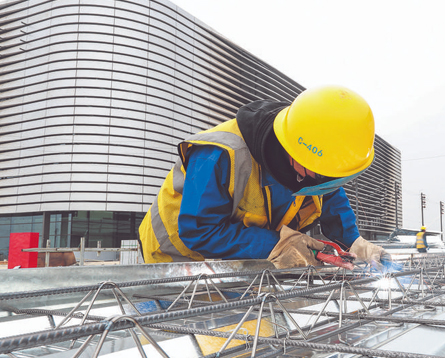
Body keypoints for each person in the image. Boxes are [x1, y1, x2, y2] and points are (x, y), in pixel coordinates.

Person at [139, 85, 389, 269]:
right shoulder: (219, 156)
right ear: (296, 154)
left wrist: (355, 243)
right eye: (325, 175)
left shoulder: (317, 166)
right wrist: (278, 244)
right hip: (175, 258)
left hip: (232, 262)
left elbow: (331, 199)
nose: (329, 184)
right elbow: (200, 231)